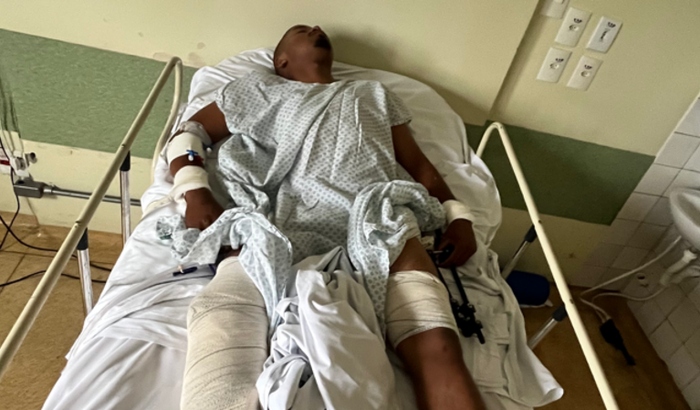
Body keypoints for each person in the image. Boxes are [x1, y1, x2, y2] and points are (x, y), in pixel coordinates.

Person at [168, 25, 486, 410]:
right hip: (272, 219)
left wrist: (459, 217)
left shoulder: (372, 94)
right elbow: (189, 134)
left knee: (438, 344)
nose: (317, 29)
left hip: (374, 219)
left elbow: (419, 167)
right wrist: (195, 190)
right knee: (221, 325)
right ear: (281, 61)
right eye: (302, 31)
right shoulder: (257, 88)